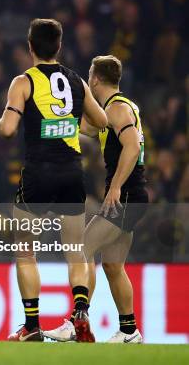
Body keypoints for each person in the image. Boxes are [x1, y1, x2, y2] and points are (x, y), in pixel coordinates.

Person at [0, 18, 108, 342]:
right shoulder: (75, 81)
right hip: (72, 172)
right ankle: (80, 312)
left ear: (30, 46)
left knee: (25, 251)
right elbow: (100, 121)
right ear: (58, 46)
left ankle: (32, 325)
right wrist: (69, 123)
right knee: (75, 250)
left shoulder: (23, 81)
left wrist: (9, 114)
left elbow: (6, 130)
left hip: (38, 173)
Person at [45, 55, 147, 343]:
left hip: (127, 195)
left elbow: (129, 147)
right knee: (114, 265)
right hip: (135, 195)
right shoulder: (118, 108)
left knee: (82, 248)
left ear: (96, 78)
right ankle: (129, 330)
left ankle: (77, 320)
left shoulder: (116, 108)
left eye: (90, 75)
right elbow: (85, 129)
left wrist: (115, 188)